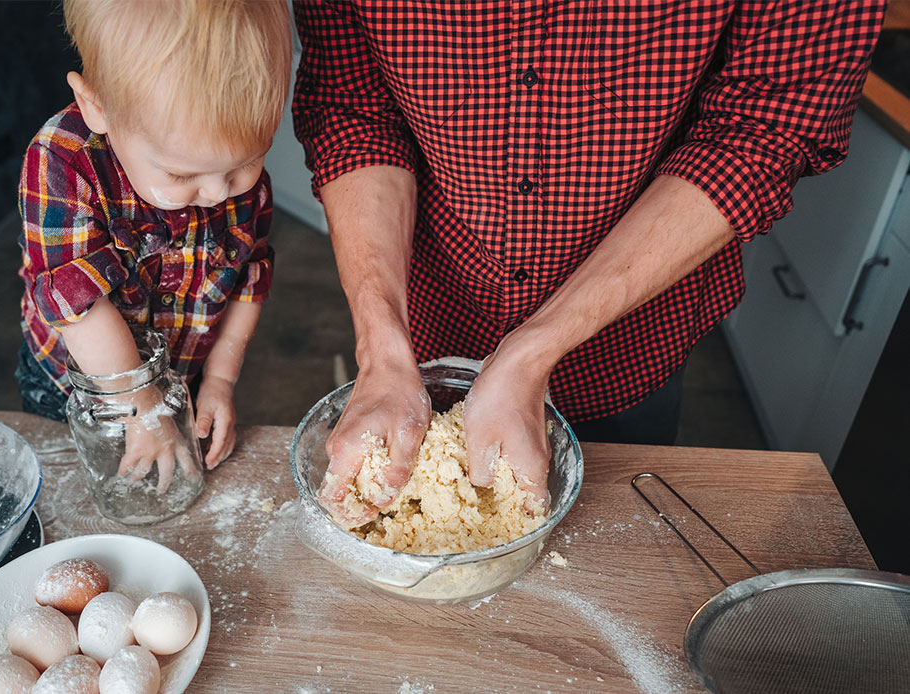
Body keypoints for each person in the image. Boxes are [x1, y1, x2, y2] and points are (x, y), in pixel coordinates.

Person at [292, 1, 886, 526]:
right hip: (435, 311)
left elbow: (761, 131)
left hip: (628, 342)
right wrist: (382, 348)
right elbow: (354, 109)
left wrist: (532, 352)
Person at [16, 0, 292, 485]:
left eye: (248, 161)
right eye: (182, 173)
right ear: (97, 106)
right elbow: (77, 305)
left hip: (185, 372)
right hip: (77, 384)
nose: (217, 192)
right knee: (83, 493)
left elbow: (250, 278)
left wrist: (221, 379)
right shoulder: (63, 163)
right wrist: (142, 411)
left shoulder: (231, 179)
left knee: (174, 485)